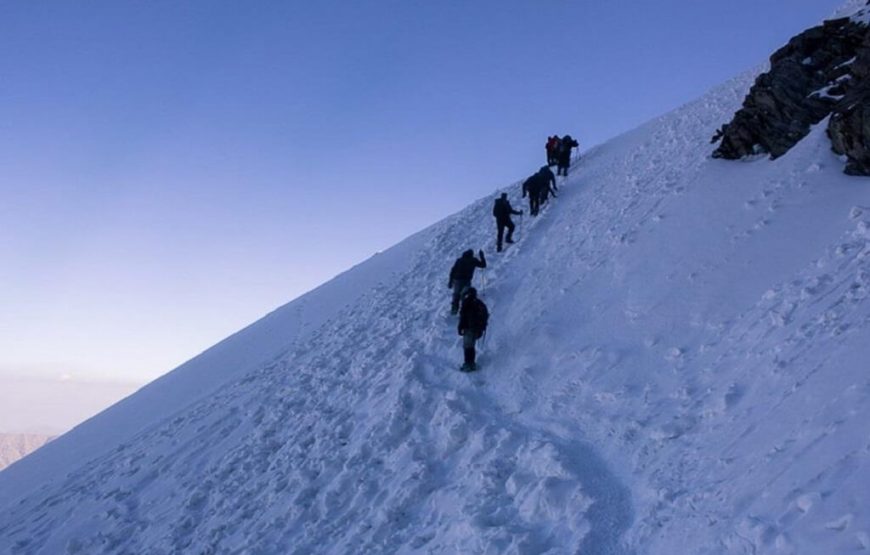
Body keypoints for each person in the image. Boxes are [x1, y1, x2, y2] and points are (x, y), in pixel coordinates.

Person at [457, 287, 489, 371]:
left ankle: (468, 364)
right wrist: (483, 326)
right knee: (471, 346)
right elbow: (486, 314)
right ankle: (471, 363)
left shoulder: (466, 303)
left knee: (467, 346)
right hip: (477, 328)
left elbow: (463, 316)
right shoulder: (479, 303)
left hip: (468, 327)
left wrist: (460, 327)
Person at [448, 249, 487, 315]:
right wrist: (482, 256)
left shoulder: (459, 260)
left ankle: (454, 311)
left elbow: (453, 270)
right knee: (464, 294)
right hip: (466, 281)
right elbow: (483, 265)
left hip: (457, 280)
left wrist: (450, 281)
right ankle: (464, 310)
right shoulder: (473, 260)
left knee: (456, 295)